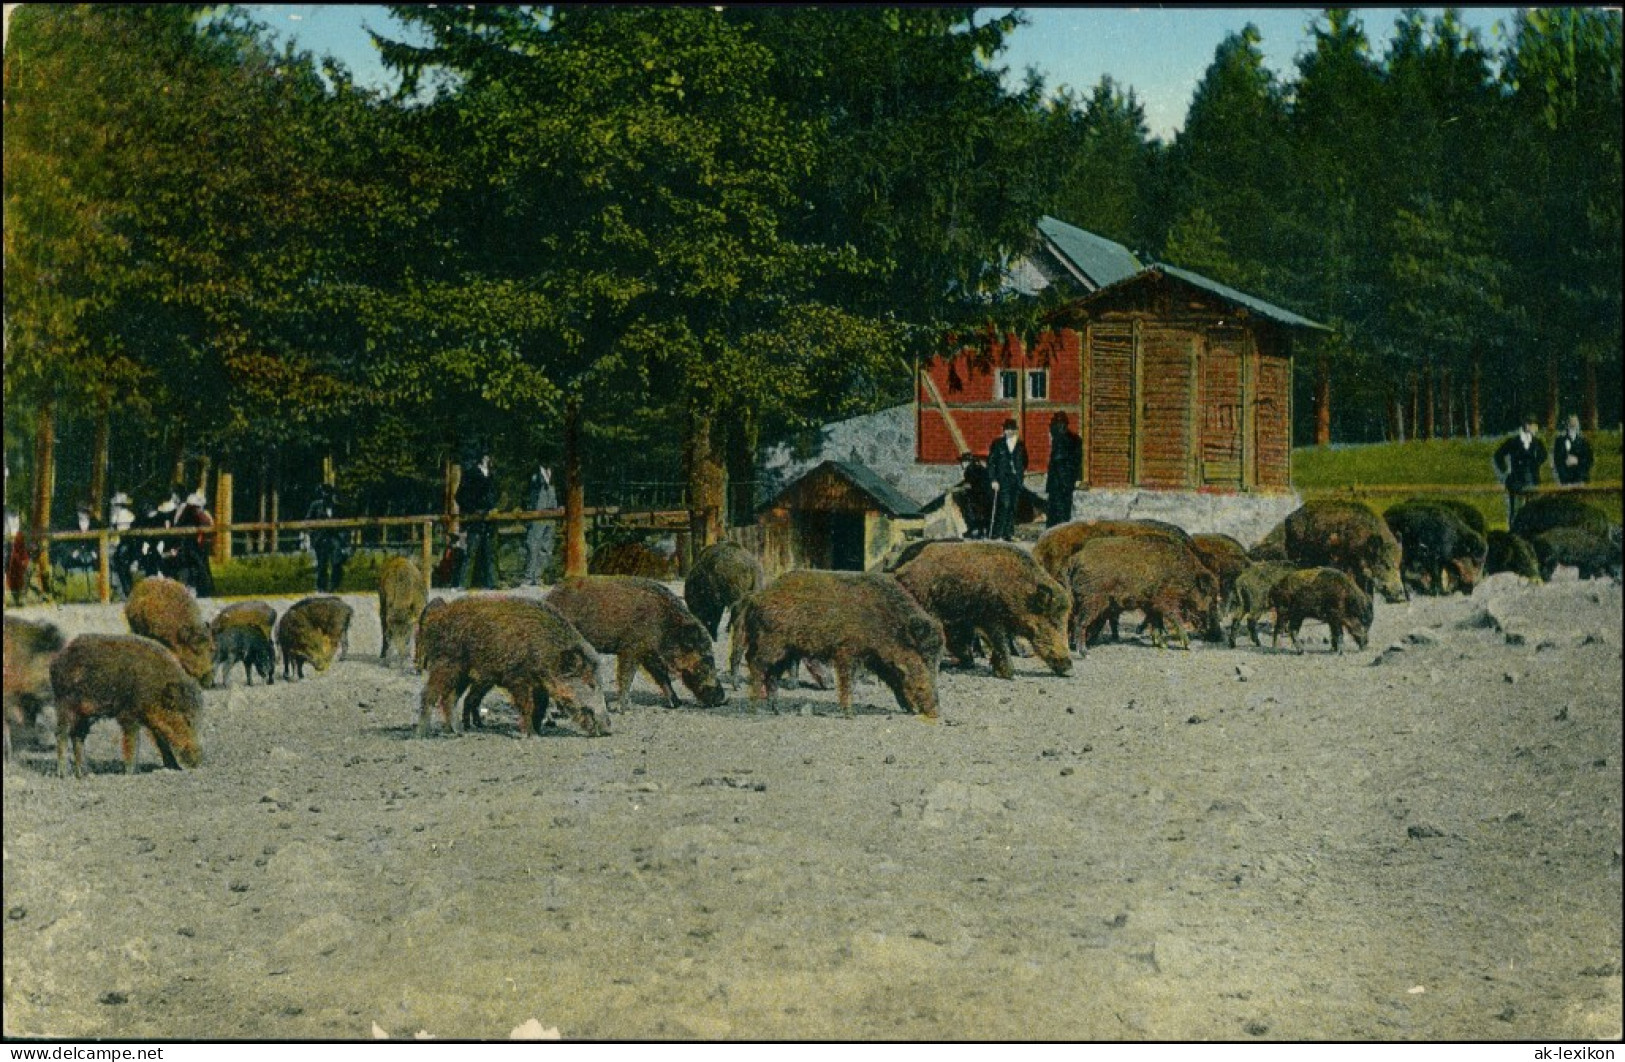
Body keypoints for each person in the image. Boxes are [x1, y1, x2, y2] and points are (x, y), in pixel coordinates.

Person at [1493, 415, 1548, 526]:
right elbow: (1498, 455)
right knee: (1517, 510)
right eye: (1534, 426)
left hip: (1533, 480)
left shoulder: (1537, 442)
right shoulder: (1513, 441)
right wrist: (1505, 470)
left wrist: (1536, 464)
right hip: (1517, 481)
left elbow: (1544, 455)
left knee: (1533, 509)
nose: (1536, 429)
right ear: (1527, 426)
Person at [456, 451, 498, 589]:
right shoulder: (470, 474)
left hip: (490, 519)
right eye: (489, 456)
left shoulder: (492, 474)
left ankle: (492, 583)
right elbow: (460, 496)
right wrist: (472, 509)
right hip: (475, 519)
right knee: (471, 551)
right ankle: (464, 584)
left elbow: (497, 494)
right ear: (484, 457)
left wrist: (495, 507)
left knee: (490, 552)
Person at [986, 417, 1029, 542]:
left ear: (1016, 430)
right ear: (1003, 430)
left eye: (1011, 429)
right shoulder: (998, 444)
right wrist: (993, 479)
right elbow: (991, 462)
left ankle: (1008, 534)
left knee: (1013, 506)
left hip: (1016, 480)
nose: (1009, 432)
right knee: (1004, 504)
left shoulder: (1021, 445)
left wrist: (1020, 474)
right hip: (1002, 480)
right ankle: (997, 534)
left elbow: (1025, 461)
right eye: (1007, 429)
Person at [305, 483, 349, 593]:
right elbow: (308, 521)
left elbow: (343, 524)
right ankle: (321, 587)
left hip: (334, 538)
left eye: (328, 493)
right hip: (321, 538)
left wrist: (343, 540)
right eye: (324, 493)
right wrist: (313, 535)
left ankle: (335, 585)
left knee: (336, 562)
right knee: (322, 563)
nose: (326, 496)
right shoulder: (315, 506)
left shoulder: (337, 507)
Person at [1045, 411, 1083, 528]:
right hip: (1060, 482)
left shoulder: (1064, 439)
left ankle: (1058, 534)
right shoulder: (1070, 439)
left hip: (1062, 481)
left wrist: (1077, 477)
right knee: (1057, 511)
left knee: (1060, 512)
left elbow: (1073, 460)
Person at [523, 463, 559, 585]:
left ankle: (538, 576)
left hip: (551, 513)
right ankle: (528, 577)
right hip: (537, 513)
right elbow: (528, 494)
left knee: (546, 547)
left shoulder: (554, 472)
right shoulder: (534, 473)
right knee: (533, 546)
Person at [175, 490, 215, 596]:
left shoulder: (203, 515)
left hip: (199, 544)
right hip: (188, 544)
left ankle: (205, 590)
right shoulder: (185, 514)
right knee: (189, 566)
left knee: (201, 566)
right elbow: (178, 526)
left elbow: (208, 528)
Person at [954, 452, 994, 539]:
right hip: (986, 495)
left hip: (980, 496)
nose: (962, 464)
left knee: (975, 513)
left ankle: (976, 531)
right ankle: (983, 532)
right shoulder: (978, 468)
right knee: (983, 515)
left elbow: (970, 484)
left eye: (963, 462)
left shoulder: (970, 470)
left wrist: (960, 489)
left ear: (968, 462)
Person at [109, 491, 139, 598]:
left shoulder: (125, 515)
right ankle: (122, 590)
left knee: (122, 565)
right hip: (119, 543)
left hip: (126, 544)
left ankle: (127, 591)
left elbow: (124, 533)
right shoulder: (116, 516)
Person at [1552, 414, 1594, 486]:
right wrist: (1565, 464)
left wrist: (1577, 461)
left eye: (1575, 422)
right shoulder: (1560, 441)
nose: (1573, 424)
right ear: (1567, 424)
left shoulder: (1584, 441)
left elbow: (1589, 459)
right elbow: (1557, 460)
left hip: (1580, 478)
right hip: (1566, 480)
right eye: (1571, 421)